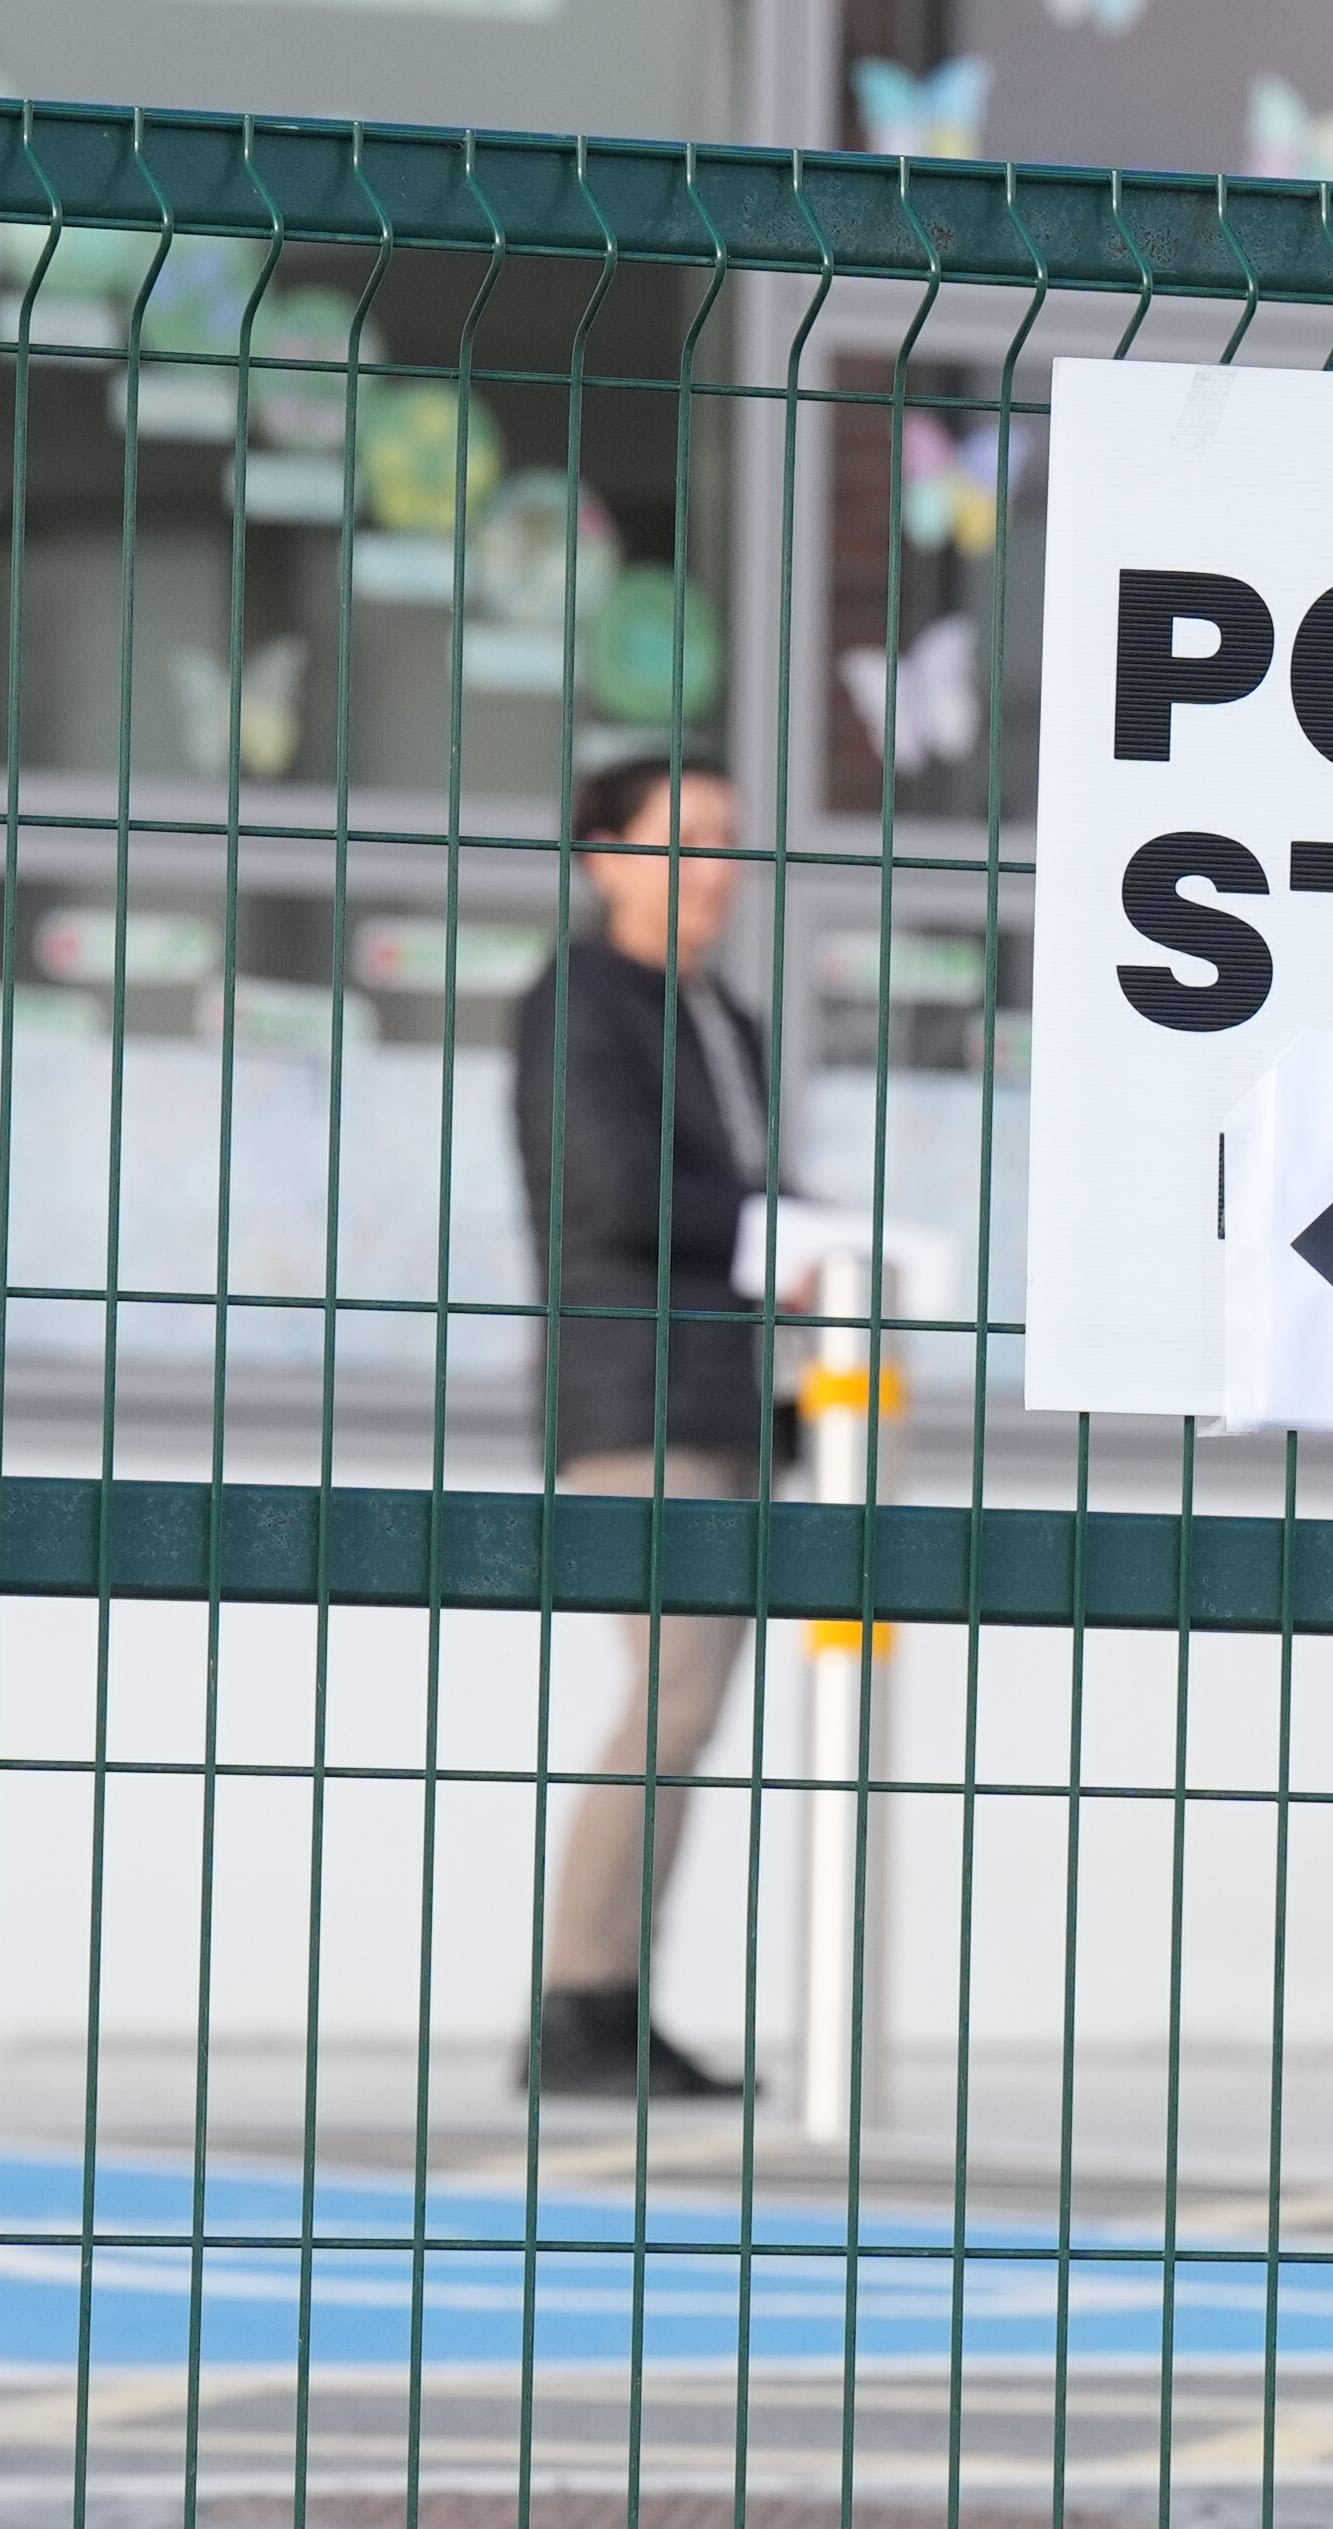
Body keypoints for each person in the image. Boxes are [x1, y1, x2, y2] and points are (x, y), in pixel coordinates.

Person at [510, 753, 778, 2102]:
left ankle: (614, 1992)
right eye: (686, 840)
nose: (718, 867)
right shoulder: (578, 1002)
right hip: (634, 1396)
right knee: (673, 1691)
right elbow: (614, 1185)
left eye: (730, 840)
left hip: (729, 1395)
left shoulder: (723, 1016)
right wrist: (780, 1231)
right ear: (603, 853)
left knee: (692, 1698)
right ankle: (582, 1997)